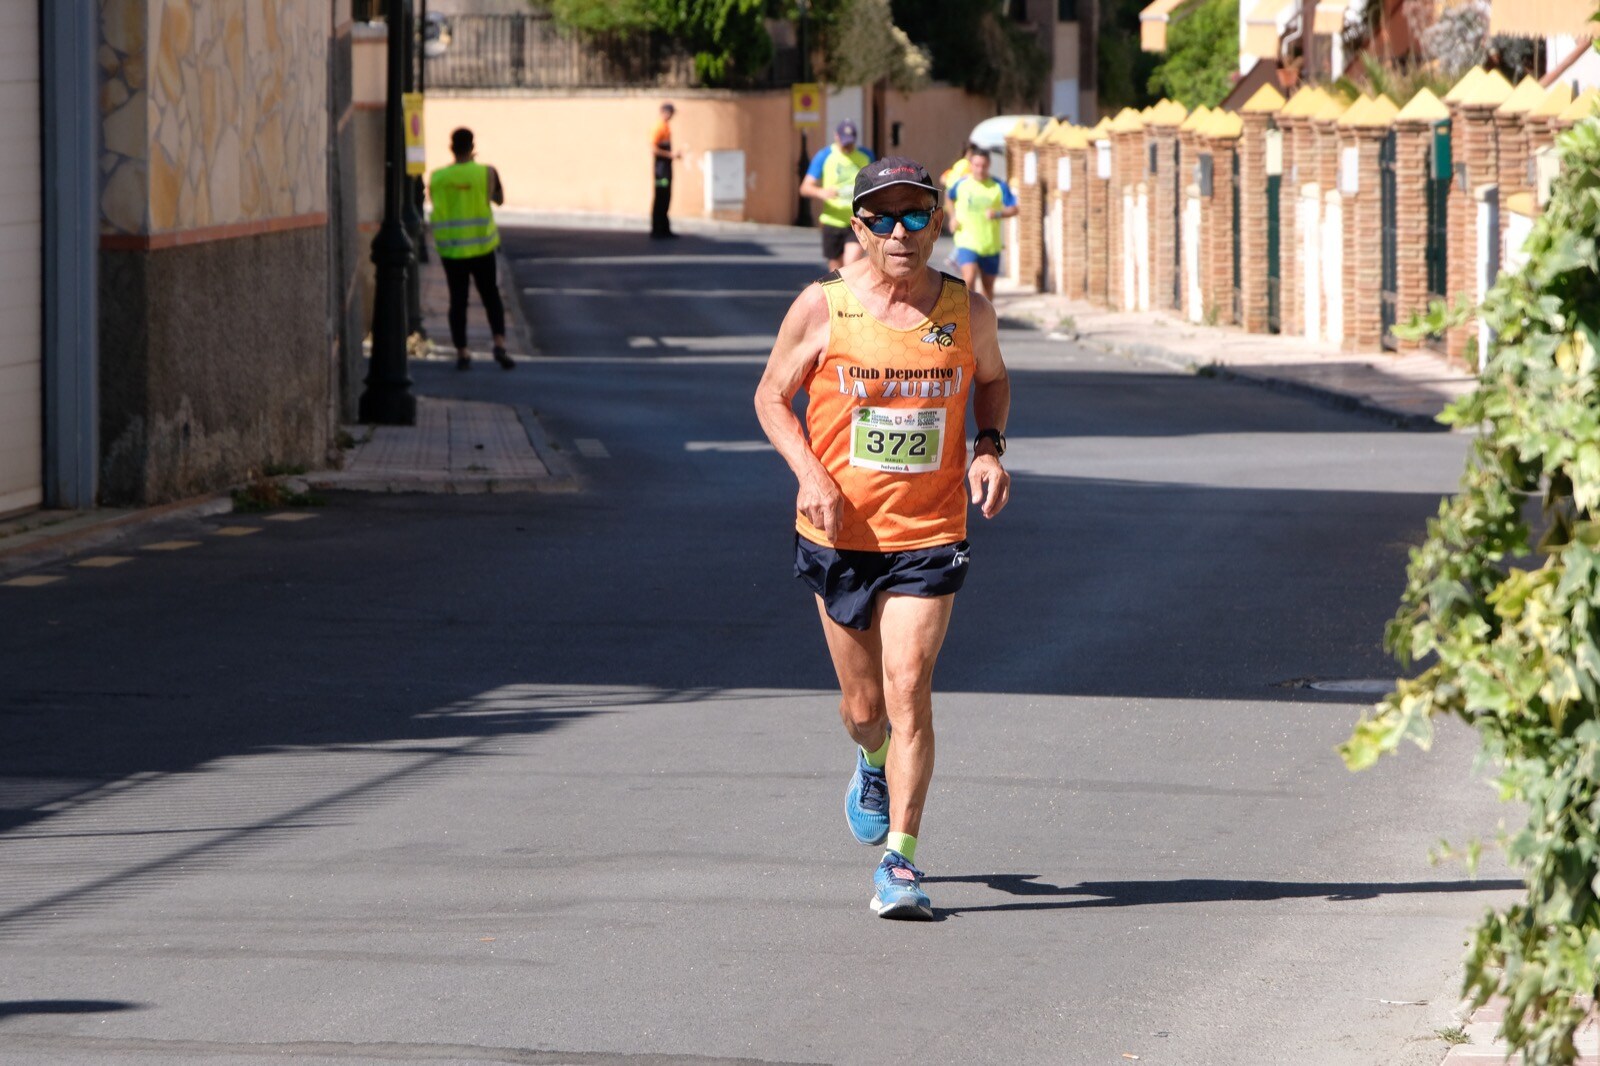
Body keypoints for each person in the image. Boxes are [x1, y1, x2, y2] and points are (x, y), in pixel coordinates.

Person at [753, 157, 1012, 920]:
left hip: (931, 532)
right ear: (858, 228)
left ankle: (900, 861)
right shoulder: (823, 307)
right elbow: (771, 397)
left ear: (937, 221)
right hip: (840, 535)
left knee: (908, 688)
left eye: (915, 215)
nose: (901, 232)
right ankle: (869, 760)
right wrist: (811, 475)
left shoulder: (968, 311)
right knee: (864, 706)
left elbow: (992, 379)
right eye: (883, 218)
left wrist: (988, 446)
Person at [428, 127, 513, 370]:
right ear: (472, 146)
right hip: (483, 247)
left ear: (451, 148)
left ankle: (462, 352)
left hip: (452, 250)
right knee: (490, 296)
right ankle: (499, 343)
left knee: (458, 300)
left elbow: (437, 203)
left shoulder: (438, 177)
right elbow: (499, 199)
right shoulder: (487, 173)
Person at [799, 121, 875, 270]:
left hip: (858, 219)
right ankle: (840, 293)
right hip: (832, 221)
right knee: (835, 270)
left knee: (851, 263)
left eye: (850, 143)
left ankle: (851, 292)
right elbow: (805, 188)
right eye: (844, 142)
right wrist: (821, 192)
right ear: (836, 137)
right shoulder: (824, 156)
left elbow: (875, 182)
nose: (847, 146)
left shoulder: (866, 156)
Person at [946, 146, 1019, 301]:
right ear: (971, 165)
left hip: (990, 244)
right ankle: (970, 318)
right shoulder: (961, 184)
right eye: (977, 165)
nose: (980, 170)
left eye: (984, 166)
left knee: (988, 289)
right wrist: (952, 217)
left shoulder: (998, 186)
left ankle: (986, 320)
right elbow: (948, 197)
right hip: (966, 241)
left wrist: (998, 213)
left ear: (989, 165)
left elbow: (1014, 209)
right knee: (969, 279)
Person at [651, 102, 682, 239]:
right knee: (661, 197)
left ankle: (664, 228)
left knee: (666, 198)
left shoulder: (666, 127)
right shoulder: (659, 127)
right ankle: (657, 228)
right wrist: (671, 155)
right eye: (670, 112)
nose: (671, 116)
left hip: (665, 169)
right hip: (661, 171)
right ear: (664, 112)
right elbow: (653, 149)